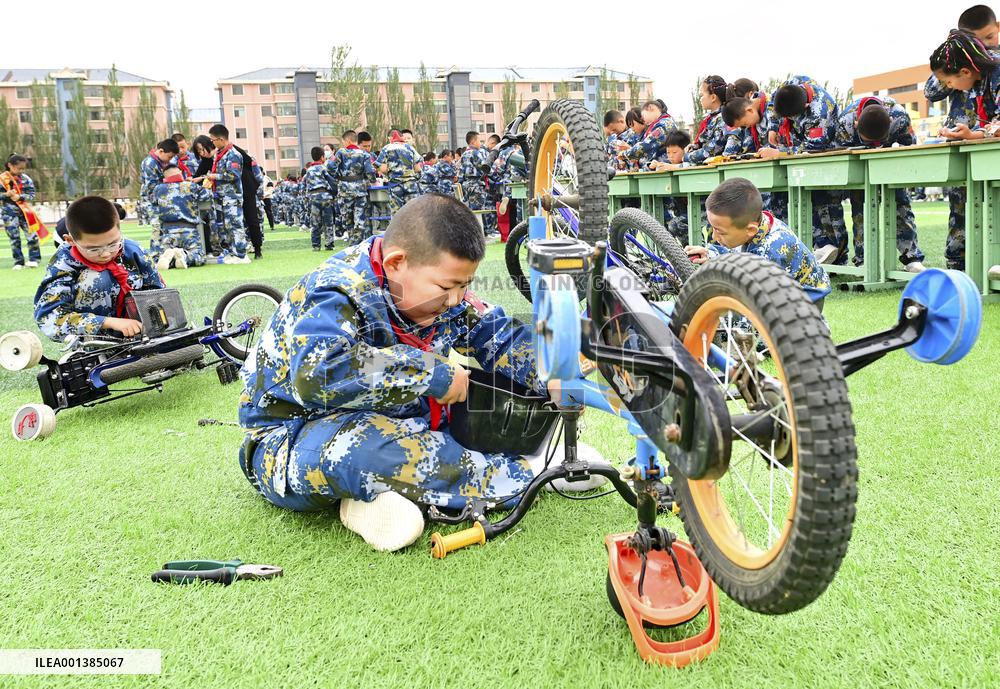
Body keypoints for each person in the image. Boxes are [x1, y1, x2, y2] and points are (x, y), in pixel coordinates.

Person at [237, 194, 602, 552]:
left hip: (404, 424)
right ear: (396, 263)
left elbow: (499, 336)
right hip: (293, 440)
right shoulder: (335, 289)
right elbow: (320, 373)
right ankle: (534, 472)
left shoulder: (435, 288)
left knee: (478, 410)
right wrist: (431, 373)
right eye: (447, 287)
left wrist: (554, 374)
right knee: (360, 452)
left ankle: (372, 500)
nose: (457, 299)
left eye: (465, 285)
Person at [34, 196, 164, 341]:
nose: (106, 253)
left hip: (142, 333)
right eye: (94, 249)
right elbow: (50, 318)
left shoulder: (133, 250)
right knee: (96, 278)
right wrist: (108, 322)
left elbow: (160, 294)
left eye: (113, 244)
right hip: (97, 343)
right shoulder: (63, 263)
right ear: (71, 241)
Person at [685, 178, 830, 306]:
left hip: (804, 302)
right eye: (713, 228)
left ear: (750, 230)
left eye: (720, 231)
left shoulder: (773, 250)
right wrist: (710, 254)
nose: (715, 237)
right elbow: (738, 256)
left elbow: (754, 302)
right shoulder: (755, 224)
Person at [930, 29, 1000, 270]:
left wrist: (976, 134)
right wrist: (969, 134)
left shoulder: (997, 73)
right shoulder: (980, 78)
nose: (949, 87)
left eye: (949, 82)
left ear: (965, 72)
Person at [835, 97, 926, 272]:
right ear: (856, 125)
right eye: (869, 141)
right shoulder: (845, 123)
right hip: (859, 164)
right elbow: (840, 152)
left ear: (890, 123)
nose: (874, 145)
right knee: (861, 210)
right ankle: (864, 259)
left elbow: (910, 144)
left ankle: (911, 257)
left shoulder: (899, 117)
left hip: (889, 163)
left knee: (901, 205)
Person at [150, 166, 213, 269]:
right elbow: (207, 196)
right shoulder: (190, 186)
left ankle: (170, 258)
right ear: (179, 173)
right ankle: (183, 255)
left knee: (160, 258)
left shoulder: (158, 189)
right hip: (188, 230)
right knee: (199, 257)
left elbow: (153, 203)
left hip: (167, 232)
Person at [205, 124, 251, 264]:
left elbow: (234, 175)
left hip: (232, 196)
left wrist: (215, 176)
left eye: (213, 140)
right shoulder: (219, 154)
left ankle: (241, 254)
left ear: (220, 139)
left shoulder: (233, 154)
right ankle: (232, 252)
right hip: (220, 196)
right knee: (224, 226)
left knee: (235, 225)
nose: (212, 143)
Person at [330, 129, 376, 245]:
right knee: (360, 219)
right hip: (360, 191)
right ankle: (357, 244)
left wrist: (338, 177)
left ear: (348, 140)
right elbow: (370, 172)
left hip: (345, 191)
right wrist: (372, 181)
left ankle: (352, 243)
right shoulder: (364, 154)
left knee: (347, 219)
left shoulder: (341, 152)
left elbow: (331, 168)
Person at [140, 139, 180, 259]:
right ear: (161, 151)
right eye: (169, 156)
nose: (170, 160)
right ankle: (155, 255)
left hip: (160, 200)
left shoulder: (159, 162)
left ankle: (163, 253)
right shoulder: (150, 163)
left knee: (163, 227)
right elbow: (151, 187)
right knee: (157, 227)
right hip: (151, 201)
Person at [2, 154, 41, 270]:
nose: (21, 171)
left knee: (32, 236)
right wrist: (5, 195)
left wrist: (20, 197)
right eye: (19, 168)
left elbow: (32, 195)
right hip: (9, 214)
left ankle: (34, 259)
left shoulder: (26, 179)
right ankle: (18, 262)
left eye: (23, 168)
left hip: (25, 212)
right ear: (10, 165)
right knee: (14, 238)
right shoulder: (2, 179)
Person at [684, 76, 733, 165]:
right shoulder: (711, 119)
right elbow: (703, 141)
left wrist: (685, 157)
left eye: (702, 95)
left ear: (713, 97)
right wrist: (694, 147)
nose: (700, 99)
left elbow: (712, 150)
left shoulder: (722, 118)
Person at [621, 99, 678, 168]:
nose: (643, 119)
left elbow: (646, 145)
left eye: (643, 115)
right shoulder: (660, 123)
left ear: (650, 108)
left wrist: (624, 154)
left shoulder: (664, 124)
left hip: (663, 166)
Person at [377, 130, 422, 214]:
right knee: (413, 212)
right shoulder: (410, 148)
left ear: (391, 138)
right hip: (411, 184)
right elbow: (417, 169)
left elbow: (382, 169)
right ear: (402, 137)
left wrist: (389, 174)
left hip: (395, 184)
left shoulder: (387, 148)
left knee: (397, 213)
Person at [303, 146, 338, 251]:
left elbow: (306, 185)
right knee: (328, 221)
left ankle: (316, 245)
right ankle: (329, 244)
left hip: (313, 198)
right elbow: (331, 182)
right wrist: (335, 192)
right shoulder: (324, 168)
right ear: (323, 157)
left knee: (315, 223)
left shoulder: (308, 170)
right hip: (326, 196)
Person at [459, 131, 492, 234]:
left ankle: (474, 233)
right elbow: (484, 168)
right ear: (473, 141)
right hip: (476, 185)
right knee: (478, 211)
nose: (480, 143)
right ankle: (480, 234)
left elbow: (461, 173)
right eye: (479, 140)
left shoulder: (464, 154)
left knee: (471, 211)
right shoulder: (476, 153)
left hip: (467, 185)